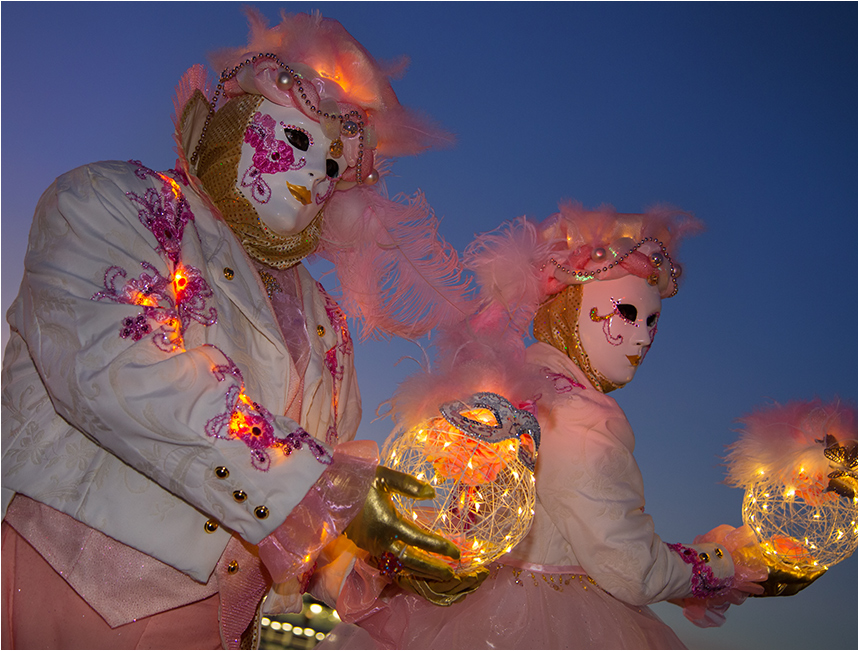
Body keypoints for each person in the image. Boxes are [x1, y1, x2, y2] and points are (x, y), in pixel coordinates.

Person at [1, 10, 473, 649]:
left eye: (333, 165)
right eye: (299, 142)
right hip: (73, 599)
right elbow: (115, 368)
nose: (313, 176)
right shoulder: (117, 203)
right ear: (234, 123)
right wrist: (328, 490)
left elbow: (336, 471)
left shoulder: (327, 324)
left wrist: (393, 549)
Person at [333, 202, 766, 649]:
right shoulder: (582, 416)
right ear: (570, 308)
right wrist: (721, 564)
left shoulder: (511, 388)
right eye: (628, 314)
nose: (641, 338)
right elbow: (632, 569)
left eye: (653, 322)